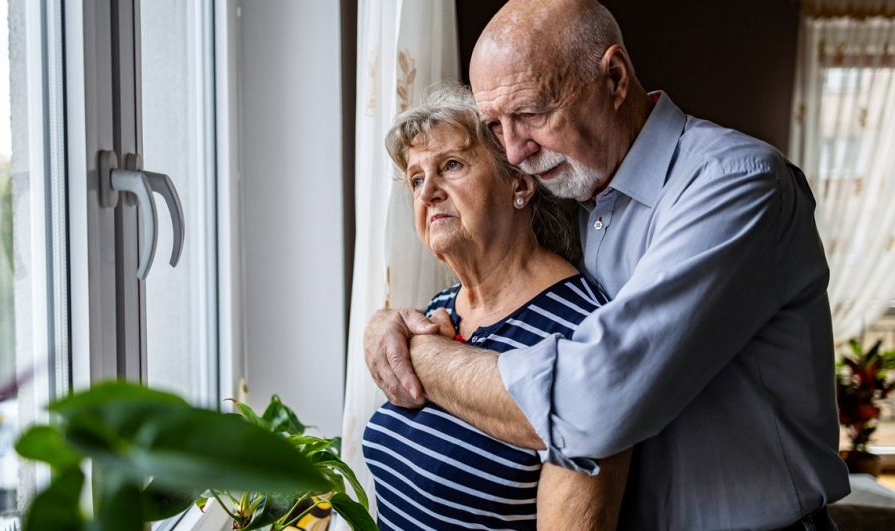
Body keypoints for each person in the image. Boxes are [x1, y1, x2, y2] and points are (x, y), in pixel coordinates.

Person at [363, 1, 852, 529]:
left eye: (530, 114)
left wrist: (419, 355)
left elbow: (594, 402)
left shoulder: (734, 183)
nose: (515, 150)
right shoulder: (578, 190)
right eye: (495, 125)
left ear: (614, 79)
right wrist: (384, 322)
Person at [362, 82, 631, 531]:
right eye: (415, 178)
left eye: (450, 165)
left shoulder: (583, 330)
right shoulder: (440, 310)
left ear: (520, 184)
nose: (427, 191)